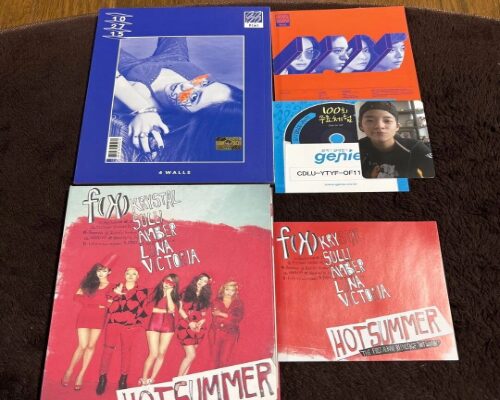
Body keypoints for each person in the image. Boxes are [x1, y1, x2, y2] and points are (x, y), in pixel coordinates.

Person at [114, 37, 243, 162]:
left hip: (133, 71)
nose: (185, 85)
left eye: (193, 97)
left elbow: (105, 57)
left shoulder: (137, 95)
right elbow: (243, 144)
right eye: (205, 83)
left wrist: (142, 109)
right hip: (177, 60)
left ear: (193, 120)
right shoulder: (214, 104)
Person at [96, 267, 149, 395]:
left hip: (129, 327)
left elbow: (143, 310)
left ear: (138, 277)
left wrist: (136, 325)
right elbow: (107, 304)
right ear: (124, 275)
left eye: (134, 274)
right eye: (128, 273)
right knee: (107, 351)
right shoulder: (115, 287)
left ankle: (123, 380)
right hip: (113, 324)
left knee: (126, 352)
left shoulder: (143, 291)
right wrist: (117, 293)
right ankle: (102, 379)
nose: (130, 275)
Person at [61, 263, 112, 391]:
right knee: (82, 345)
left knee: (90, 346)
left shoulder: (113, 286)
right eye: (99, 270)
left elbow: (111, 304)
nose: (101, 273)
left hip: (99, 317)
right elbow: (76, 296)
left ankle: (81, 374)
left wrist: (100, 303)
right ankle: (69, 370)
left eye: (104, 270)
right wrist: (97, 303)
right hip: (85, 315)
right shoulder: (89, 283)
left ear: (109, 272)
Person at [358, 101, 435, 178]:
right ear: (361, 126)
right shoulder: (355, 148)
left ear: (397, 126)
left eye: (387, 121)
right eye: (370, 120)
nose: (379, 126)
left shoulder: (414, 147)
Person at [140, 274, 180, 385]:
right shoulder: (154, 293)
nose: (167, 284)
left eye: (171, 283)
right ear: (162, 281)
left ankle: (152, 379)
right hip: (153, 323)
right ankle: (144, 379)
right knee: (153, 353)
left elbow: (172, 309)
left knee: (161, 353)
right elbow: (148, 309)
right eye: (166, 281)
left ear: (174, 285)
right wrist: (165, 311)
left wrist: (169, 294)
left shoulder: (174, 296)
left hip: (168, 325)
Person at [176, 273, 212, 376]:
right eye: (200, 279)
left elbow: (204, 312)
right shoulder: (185, 291)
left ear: (207, 284)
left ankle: (184, 379)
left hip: (198, 328)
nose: (201, 282)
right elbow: (180, 309)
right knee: (191, 355)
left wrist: (202, 321)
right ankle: (178, 380)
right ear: (196, 279)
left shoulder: (205, 296)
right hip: (185, 325)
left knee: (191, 357)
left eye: (205, 281)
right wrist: (189, 322)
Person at [209, 280, 244, 368]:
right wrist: (229, 317)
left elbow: (238, 318)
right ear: (223, 289)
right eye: (227, 289)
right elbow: (216, 319)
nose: (229, 292)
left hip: (231, 333)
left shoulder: (238, 303)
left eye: (232, 290)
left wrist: (222, 314)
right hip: (216, 332)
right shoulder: (216, 301)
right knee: (215, 360)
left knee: (224, 360)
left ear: (235, 291)